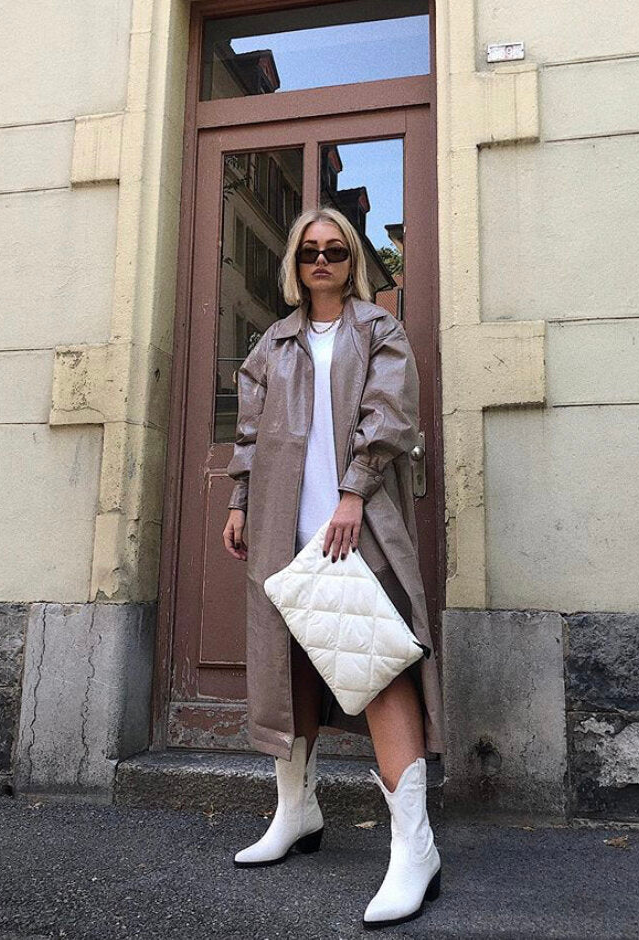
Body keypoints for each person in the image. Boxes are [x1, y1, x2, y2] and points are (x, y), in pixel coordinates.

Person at [222, 206, 445, 928]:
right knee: (288, 671)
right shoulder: (273, 342)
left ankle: (415, 848)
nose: (322, 260)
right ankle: (296, 812)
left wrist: (353, 493)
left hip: (358, 528)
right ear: (295, 263)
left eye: (336, 250)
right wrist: (239, 503)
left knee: (378, 668)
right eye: (310, 251)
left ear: (353, 261)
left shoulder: (378, 330)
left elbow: (390, 417)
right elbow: (249, 435)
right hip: (283, 529)